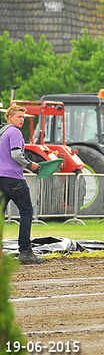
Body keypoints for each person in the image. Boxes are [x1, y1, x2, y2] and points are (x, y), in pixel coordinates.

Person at [0, 105, 45, 264]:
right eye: (19, 116)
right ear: (9, 117)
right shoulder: (14, 132)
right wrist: (30, 165)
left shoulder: (2, 132)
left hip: (0, 179)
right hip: (14, 179)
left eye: (23, 117)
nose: (22, 120)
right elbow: (17, 154)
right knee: (26, 211)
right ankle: (25, 251)